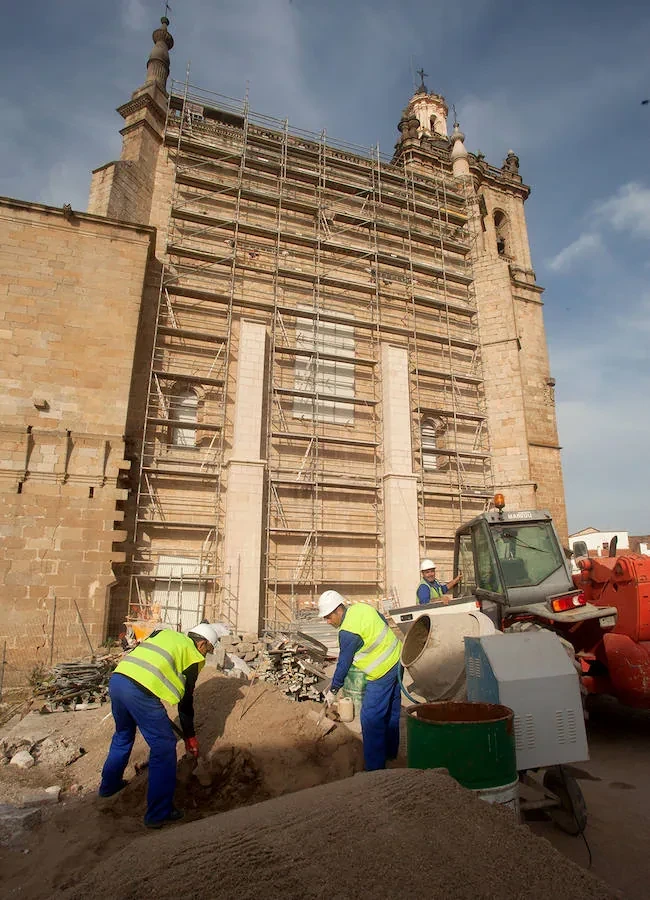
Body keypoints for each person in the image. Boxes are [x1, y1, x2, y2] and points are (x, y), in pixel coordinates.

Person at [98, 622, 218, 829]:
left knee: (123, 734)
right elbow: (186, 702)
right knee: (163, 747)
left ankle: (109, 785)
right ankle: (158, 813)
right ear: (202, 644)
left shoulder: (167, 636)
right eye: (208, 649)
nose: (206, 655)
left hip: (118, 680)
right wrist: (190, 737)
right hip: (139, 691)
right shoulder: (192, 655)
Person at [319, 590, 401, 771]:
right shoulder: (362, 608)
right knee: (392, 712)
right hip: (398, 658)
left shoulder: (348, 632)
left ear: (338, 610)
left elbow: (343, 663)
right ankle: (390, 753)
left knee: (370, 718)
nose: (327, 621)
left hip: (382, 672)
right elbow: (382, 620)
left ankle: (374, 769)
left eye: (328, 617)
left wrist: (333, 690)